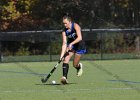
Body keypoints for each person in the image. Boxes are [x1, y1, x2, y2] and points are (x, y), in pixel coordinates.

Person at [60, 14, 86, 84]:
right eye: (63, 23)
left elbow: (80, 38)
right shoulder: (64, 31)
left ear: (70, 22)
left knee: (74, 64)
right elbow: (64, 43)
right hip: (71, 46)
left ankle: (79, 66)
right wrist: (61, 55)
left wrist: (71, 43)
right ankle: (64, 77)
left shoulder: (75, 26)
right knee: (66, 59)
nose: (65, 25)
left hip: (79, 46)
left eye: (66, 23)